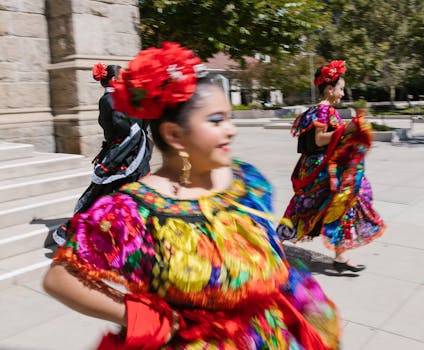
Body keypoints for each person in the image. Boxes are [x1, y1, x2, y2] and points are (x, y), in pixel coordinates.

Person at [43, 42, 340, 349]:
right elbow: (60, 278)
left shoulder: (247, 180)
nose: (230, 130)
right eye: (215, 120)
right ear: (174, 135)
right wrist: (138, 317)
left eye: (228, 117)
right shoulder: (132, 210)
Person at [276, 60, 385, 273]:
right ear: (329, 88)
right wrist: (346, 130)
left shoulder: (324, 110)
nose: (342, 94)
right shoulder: (323, 110)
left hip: (327, 167)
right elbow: (319, 140)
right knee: (310, 208)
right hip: (321, 169)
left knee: (340, 205)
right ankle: (275, 242)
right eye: (340, 89)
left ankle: (340, 256)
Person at [52, 63, 152, 246]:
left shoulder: (116, 99)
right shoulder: (109, 100)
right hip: (122, 155)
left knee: (128, 195)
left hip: (129, 153)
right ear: (114, 81)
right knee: (110, 197)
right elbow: (123, 128)